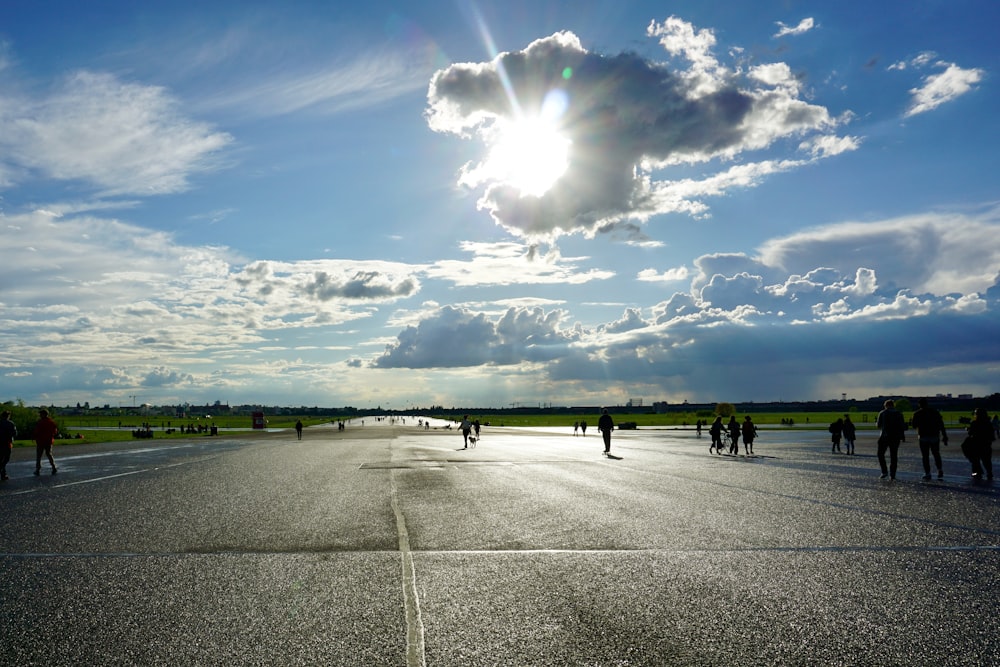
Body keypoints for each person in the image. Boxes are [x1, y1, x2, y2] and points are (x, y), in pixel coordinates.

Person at [911, 398, 948, 480]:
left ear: (919, 404)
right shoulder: (935, 412)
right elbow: (941, 424)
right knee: (936, 454)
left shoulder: (917, 413)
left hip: (923, 436)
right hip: (934, 435)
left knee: (925, 456)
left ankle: (927, 473)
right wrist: (944, 435)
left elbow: (914, 425)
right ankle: (939, 469)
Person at [876, 400, 906, 480]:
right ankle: (893, 474)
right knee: (894, 456)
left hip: (884, 436)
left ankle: (884, 471)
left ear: (885, 405)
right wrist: (902, 436)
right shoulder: (899, 413)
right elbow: (902, 426)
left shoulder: (882, 413)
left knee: (880, 454)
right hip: (895, 437)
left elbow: (878, 425)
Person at [965, 407, 994, 480]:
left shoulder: (974, 423)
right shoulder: (988, 423)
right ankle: (989, 473)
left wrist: (968, 429)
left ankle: (976, 473)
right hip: (986, 444)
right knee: (987, 460)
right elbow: (992, 435)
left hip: (976, 445)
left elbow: (970, 433)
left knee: (975, 461)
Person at [33, 409, 59, 476]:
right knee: (49, 454)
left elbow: (37, 431)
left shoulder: (40, 422)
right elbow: (55, 432)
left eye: (41, 414)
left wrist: (34, 436)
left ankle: (38, 469)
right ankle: (54, 467)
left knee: (39, 456)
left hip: (41, 441)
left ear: (44, 414)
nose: (40, 415)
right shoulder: (51, 422)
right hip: (49, 441)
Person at [0, 410, 16, 480]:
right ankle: (2, 471)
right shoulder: (11, 423)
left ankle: (3, 474)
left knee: (1, 458)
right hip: (7, 443)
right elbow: (14, 433)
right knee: (6, 458)